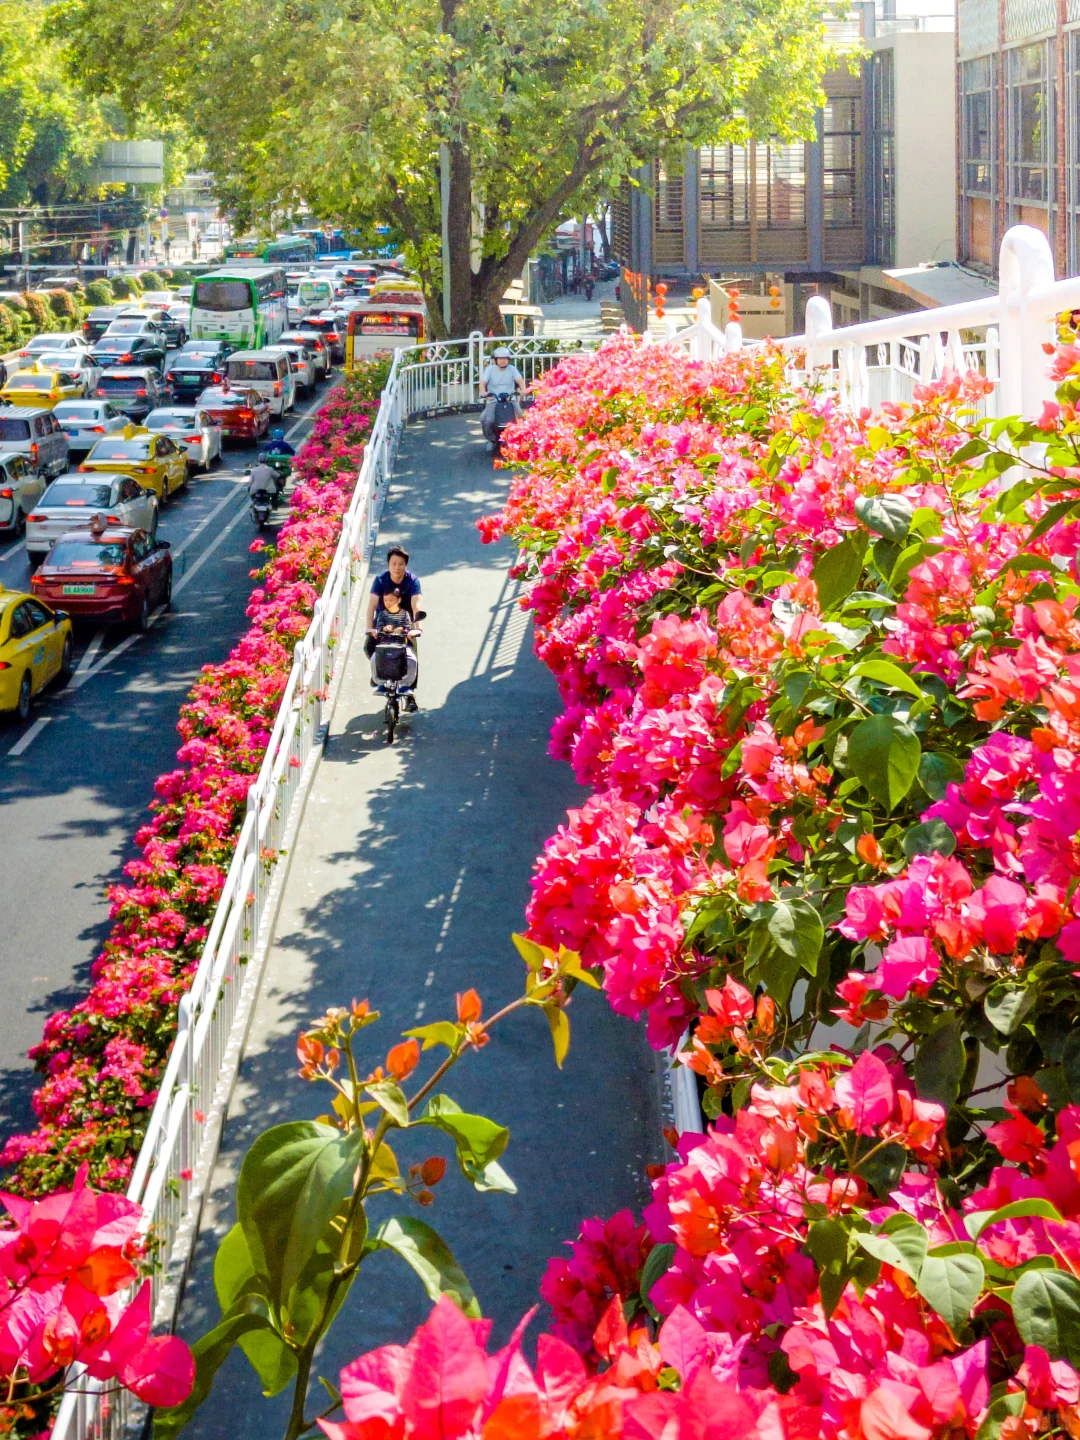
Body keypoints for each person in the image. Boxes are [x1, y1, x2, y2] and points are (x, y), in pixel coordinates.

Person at [479, 348, 524, 451]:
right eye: (499, 359)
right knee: (487, 420)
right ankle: (491, 439)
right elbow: (483, 383)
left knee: (521, 416)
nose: (502, 361)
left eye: (505, 358)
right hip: (494, 400)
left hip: (510, 399)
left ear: (508, 360)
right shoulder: (490, 369)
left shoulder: (512, 369)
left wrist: (523, 390)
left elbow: (520, 380)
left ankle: (521, 440)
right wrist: (483, 392)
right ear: (495, 360)